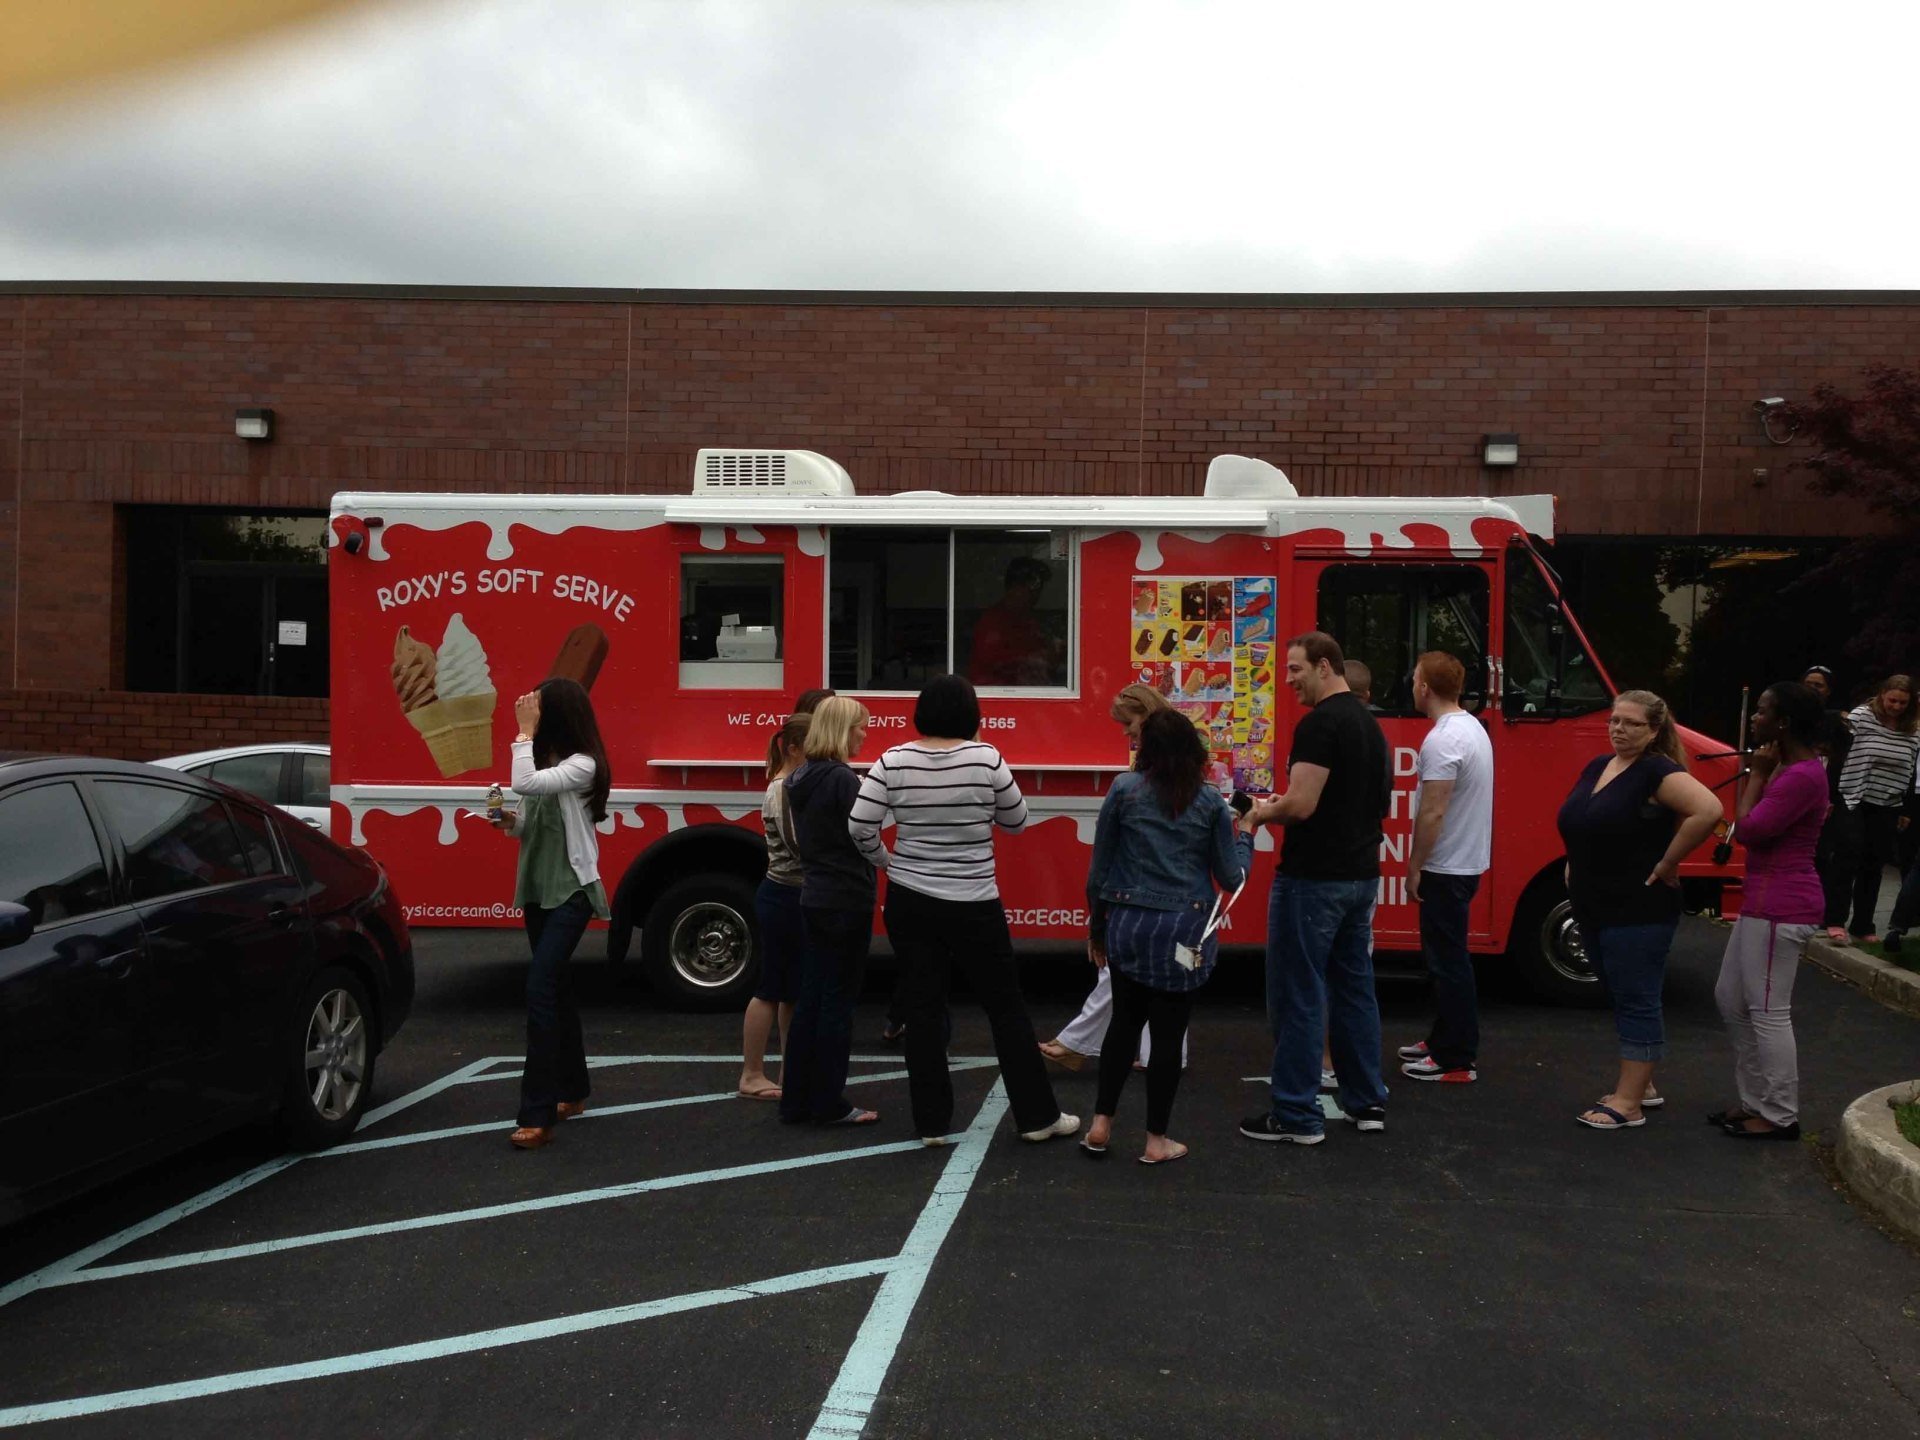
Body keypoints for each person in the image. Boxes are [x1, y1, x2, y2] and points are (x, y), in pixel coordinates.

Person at [851, 674, 1079, 1147]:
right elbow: (1017, 822)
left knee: (923, 1007)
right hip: (974, 901)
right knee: (1005, 1008)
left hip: (911, 900)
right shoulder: (986, 758)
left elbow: (859, 826)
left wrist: (887, 862)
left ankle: (931, 1123)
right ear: (972, 714)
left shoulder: (892, 760)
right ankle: (1037, 1117)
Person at [1240, 631, 1392, 1145]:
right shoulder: (1370, 725)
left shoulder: (1320, 724)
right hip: (1360, 875)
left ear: (1325, 666)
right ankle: (1367, 1101)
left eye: (1295, 670)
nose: (1288, 681)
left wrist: (1260, 812)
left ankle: (1297, 1115)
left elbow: (1302, 806)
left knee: (1298, 994)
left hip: (1313, 878)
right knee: (1354, 989)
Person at [1083, 711, 1253, 1164]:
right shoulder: (1211, 804)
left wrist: (1097, 928)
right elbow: (1230, 878)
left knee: (1123, 1024)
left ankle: (1101, 1124)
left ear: (1148, 750)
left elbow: (1098, 872)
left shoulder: (1123, 791)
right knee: (1166, 1035)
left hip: (1128, 925)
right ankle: (1156, 1140)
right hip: (1183, 931)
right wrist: (1248, 835)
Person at [1557, 690, 1723, 1131]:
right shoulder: (1599, 767)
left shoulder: (1656, 771)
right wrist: (1576, 860)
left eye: (1631, 723)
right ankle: (1642, 1083)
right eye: (1614, 720)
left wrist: (1669, 862)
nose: (1618, 729)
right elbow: (1585, 819)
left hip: (1638, 909)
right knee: (1619, 990)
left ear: (1654, 730)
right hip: (1594, 905)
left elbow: (1708, 809)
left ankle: (1629, 1102)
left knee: (1637, 997)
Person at [489, 678, 611, 1151]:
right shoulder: (549, 765)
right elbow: (529, 818)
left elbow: (525, 782)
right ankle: (574, 1090)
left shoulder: (584, 765)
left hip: (571, 893)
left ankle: (537, 1112)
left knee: (539, 987)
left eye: (538, 709)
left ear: (556, 716)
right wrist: (507, 821)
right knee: (555, 988)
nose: (531, 716)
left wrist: (521, 734)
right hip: (539, 890)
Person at [1039, 683, 1187, 1073]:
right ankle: (1158, 1052)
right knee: (1169, 972)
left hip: (1138, 891)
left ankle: (1078, 1042)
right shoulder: (1186, 776)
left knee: (1121, 966)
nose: (1125, 732)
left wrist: (1097, 917)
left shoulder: (1132, 784)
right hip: (1183, 896)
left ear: (1148, 719)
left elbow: (1105, 858)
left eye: (1129, 723)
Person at [1711, 682, 1829, 1141]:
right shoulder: (1792, 769)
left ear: (1783, 722)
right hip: (1764, 903)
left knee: (1767, 1010)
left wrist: (1755, 775)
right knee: (1731, 998)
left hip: (1784, 906)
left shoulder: (1801, 775)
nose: (1754, 719)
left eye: (1762, 712)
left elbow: (1751, 830)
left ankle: (1780, 1114)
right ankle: (1755, 1100)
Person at [781, 696, 881, 1128]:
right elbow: (863, 833)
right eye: (860, 727)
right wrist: (883, 859)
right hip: (846, 896)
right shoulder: (843, 780)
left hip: (815, 893)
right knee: (838, 1003)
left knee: (811, 998)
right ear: (842, 730)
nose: (864, 734)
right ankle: (830, 1102)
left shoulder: (799, 776)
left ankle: (796, 1098)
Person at [1397, 652, 1495, 1084]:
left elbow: (1433, 811)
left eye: (1415, 678)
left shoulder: (1442, 740)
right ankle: (1442, 1039)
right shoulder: (1469, 726)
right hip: (1465, 861)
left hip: (1446, 865)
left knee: (1447, 962)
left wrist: (1415, 865)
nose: (1412, 684)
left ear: (1424, 688)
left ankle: (1456, 1058)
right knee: (1446, 959)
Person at [740, 712, 810, 1101]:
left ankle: (789, 1069)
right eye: (812, 748)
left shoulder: (787, 784)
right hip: (784, 894)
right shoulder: (783, 788)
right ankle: (752, 1074)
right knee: (770, 988)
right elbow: (798, 845)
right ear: (794, 748)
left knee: (789, 991)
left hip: (787, 893)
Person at [1831, 675, 1919, 943]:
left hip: (1889, 801)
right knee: (1848, 857)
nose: (1896, 706)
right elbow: (1838, 749)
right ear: (1882, 695)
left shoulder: (1913, 728)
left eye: (1903, 702)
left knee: (1874, 863)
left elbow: (1912, 768)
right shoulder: (1862, 717)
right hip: (1854, 796)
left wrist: (1907, 809)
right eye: (1892, 700)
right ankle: (1834, 919)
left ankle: (1863, 924)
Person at [1802, 665, 1856, 941]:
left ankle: (1833, 917)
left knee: (1839, 856)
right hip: (1799, 796)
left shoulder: (1837, 721)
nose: (1813, 688)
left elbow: (1846, 754)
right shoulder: (1793, 718)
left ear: (1829, 690)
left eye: (1819, 685)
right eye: (1808, 683)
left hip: (1834, 797)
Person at [967, 557, 1059, 686]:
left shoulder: (1029, 621)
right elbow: (994, 661)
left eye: (1038, 591)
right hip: (995, 694)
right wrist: (1035, 659)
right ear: (1015, 587)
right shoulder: (992, 622)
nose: (1036, 596)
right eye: (1031, 589)